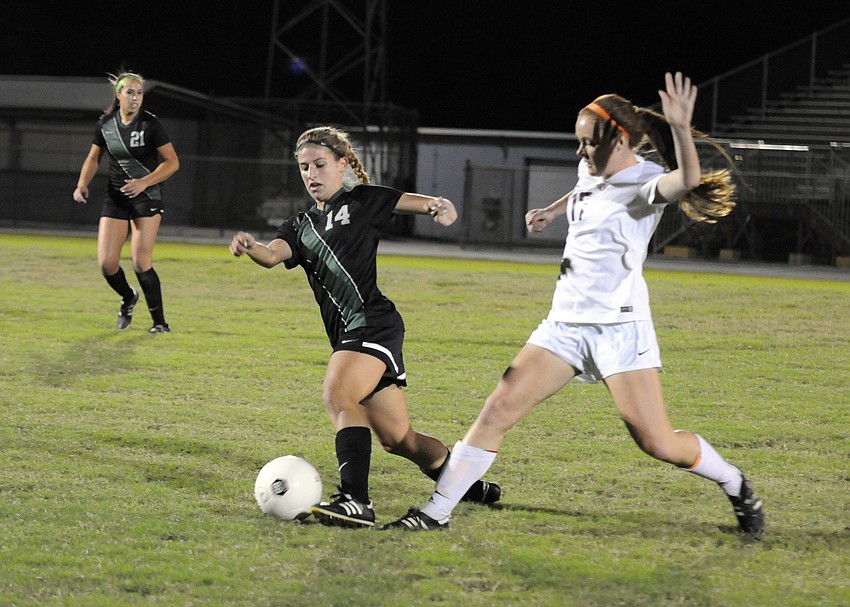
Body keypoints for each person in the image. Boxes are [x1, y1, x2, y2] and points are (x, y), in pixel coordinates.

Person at [380, 72, 766, 536]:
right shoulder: (592, 169)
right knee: (497, 409)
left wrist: (681, 129)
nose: (580, 153)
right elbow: (584, 190)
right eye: (579, 143)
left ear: (621, 140)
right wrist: (552, 210)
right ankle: (435, 513)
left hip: (618, 331)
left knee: (658, 442)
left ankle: (735, 482)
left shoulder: (645, 184)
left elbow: (688, 179)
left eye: (588, 144)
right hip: (562, 325)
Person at [230, 126, 500, 528]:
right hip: (353, 335)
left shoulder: (363, 201)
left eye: (320, 165)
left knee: (338, 396)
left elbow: (422, 204)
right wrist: (251, 247)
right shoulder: (300, 225)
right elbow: (272, 256)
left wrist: (439, 207)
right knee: (398, 440)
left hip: (372, 324)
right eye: (304, 168)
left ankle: (356, 501)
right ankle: (469, 487)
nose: (311, 175)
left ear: (342, 165)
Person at [73, 70, 179, 333]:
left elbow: (173, 162)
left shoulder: (150, 124)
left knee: (141, 261)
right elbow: (93, 158)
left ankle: (160, 324)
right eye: (130, 92)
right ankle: (129, 297)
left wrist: (144, 182)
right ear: (118, 95)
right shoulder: (106, 124)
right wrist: (81, 184)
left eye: (139, 92)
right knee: (107, 264)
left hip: (147, 197)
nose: (135, 98)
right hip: (116, 198)